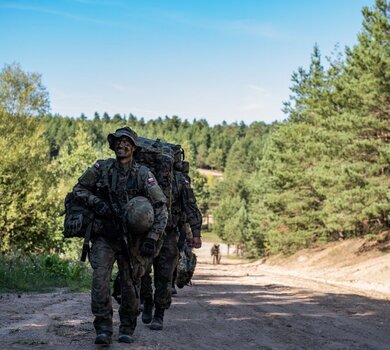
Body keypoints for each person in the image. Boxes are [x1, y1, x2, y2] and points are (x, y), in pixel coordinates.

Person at [72, 127, 168, 345]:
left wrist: (152, 238)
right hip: (105, 234)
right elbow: (79, 189)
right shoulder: (102, 168)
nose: (121, 145)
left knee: (129, 285)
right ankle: (103, 327)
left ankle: (127, 326)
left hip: (132, 240)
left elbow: (161, 208)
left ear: (133, 148)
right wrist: (98, 204)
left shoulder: (143, 174)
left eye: (126, 142)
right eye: (118, 141)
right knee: (99, 281)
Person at [140, 154, 203, 331]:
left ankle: (159, 313)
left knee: (165, 275)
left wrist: (195, 232)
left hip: (169, 233)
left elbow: (190, 205)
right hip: (146, 232)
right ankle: (146, 301)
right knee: (142, 271)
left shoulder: (180, 180)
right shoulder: (144, 176)